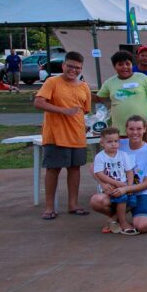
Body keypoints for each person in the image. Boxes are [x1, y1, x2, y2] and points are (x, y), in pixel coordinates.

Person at [33, 51, 92, 220]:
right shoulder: (52, 82)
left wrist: (84, 124)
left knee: (75, 169)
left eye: (77, 68)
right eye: (70, 66)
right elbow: (38, 102)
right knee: (53, 169)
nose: (73, 70)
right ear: (63, 65)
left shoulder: (84, 86)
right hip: (56, 135)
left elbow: (84, 110)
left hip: (77, 135)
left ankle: (73, 204)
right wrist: (63, 111)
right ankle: (50, 207)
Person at [90, 116, 147, 235]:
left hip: (139, 192)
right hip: (116, 189)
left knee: (142, 226)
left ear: (144, 130)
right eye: (131, 129)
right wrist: (103, 183)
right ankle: (121, 219)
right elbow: (93, 167)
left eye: (139, 129)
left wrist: (126, 188)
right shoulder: (116, 143)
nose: (135, 132)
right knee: (97, 200)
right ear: (126, 130)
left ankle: (114, 219)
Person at [96, 50, 147, 136]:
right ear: (114, 67)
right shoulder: (109, 82)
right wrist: (83, 88)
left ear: (131, 64)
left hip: (143, 129)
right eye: (120, 64)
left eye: (127, 64)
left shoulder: (144, 78)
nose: (125, 67)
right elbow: (98, 98)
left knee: (145, 149)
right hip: (120, 131)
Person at [91, 127, 136, 235]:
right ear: (102, 143)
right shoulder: (100, 157)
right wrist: (115, 183)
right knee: (122, 197)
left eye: (116, 141)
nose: (113, 144)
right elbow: (99, 173)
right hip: (110, 187)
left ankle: (112, 220)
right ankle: (123, 222)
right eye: (109, 142)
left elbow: (129, 172)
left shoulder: (123, 155)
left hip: (123, 186)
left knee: (133, 201)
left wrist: (129, 186)